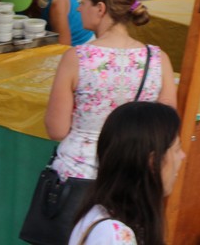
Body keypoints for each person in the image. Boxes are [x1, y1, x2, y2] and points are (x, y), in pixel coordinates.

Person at [42, 0, 176, 241]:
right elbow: (166, 128)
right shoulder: (157, 59)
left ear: (101, 8)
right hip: (132, 178)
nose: (78, 8)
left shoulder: (77, 58)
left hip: (79, 175)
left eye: (83, 1)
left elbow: (57, 129)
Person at [68, 101, 184, 245]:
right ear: (153, 162)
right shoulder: (115, 235)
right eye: (177, 149)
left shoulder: (98, 211)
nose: (182, 156)